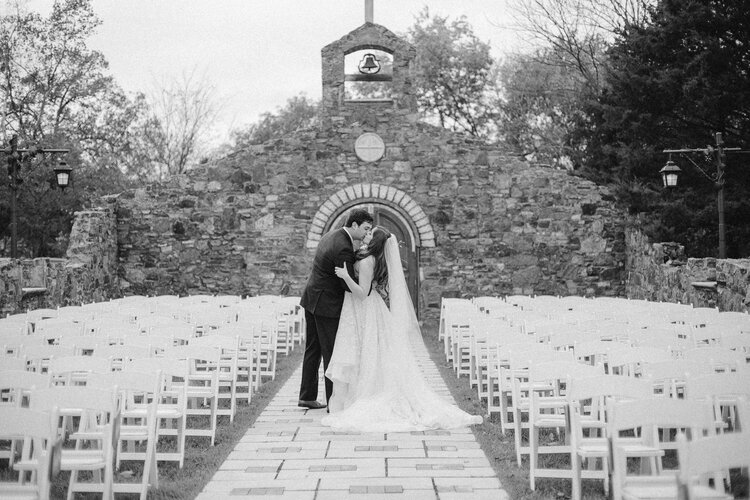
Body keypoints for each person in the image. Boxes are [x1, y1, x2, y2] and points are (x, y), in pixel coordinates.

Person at [321, 226, 483, 432]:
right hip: (364, 309)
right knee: (366, 352)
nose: (366, 234)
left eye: (370, 234)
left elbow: (362, 293)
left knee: (368, 351)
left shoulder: (368, 261)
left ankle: (365, 394)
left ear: (375, 242)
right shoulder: (368, 257)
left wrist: (345, 276)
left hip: (365, 308)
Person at [298, 209, 374, 409]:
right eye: (365, 228)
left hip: (312, 298)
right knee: (331, 352)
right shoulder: (343, 246)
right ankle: (334, 401)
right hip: (326, 305)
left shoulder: (330, 235)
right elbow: (345, 283)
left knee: (313, 349)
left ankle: (306, 395)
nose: (367, 233)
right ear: (354, 225)